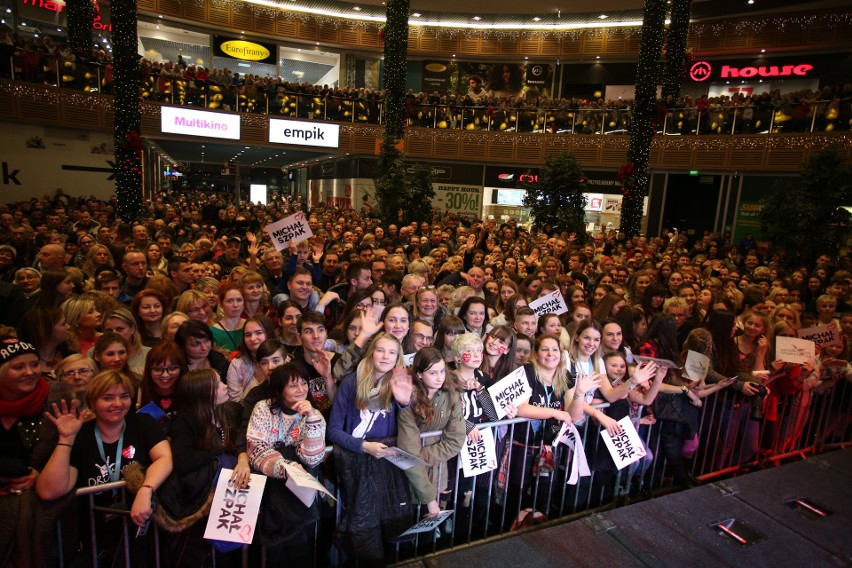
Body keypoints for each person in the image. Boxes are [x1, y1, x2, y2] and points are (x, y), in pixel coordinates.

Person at [36, 370, 173, 560]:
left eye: (124, 396)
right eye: (108, 398)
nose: (118, 404)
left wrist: (145, 489)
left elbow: (164, 458)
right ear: (92, 402)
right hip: (94, 538)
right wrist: (66, 438)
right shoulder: (82, 435)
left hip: (141, 530)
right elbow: (49, 491)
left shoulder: (142, 423)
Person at [327, 332, 413, 564]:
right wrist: (364, 446)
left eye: (392, 352)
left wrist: (405, 404)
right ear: (371, 351)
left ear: (398, 358)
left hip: (386, 470)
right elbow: (333, 431)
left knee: (383, 527)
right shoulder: (351, 382)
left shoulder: (399, 385)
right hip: (353, 467)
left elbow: (408, 430)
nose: (386, 356)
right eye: (381, 350)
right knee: (357, 528)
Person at [154, 368, 248, 566]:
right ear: (204, 391)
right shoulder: (184, 421)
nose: (225, 386)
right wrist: (219, 454)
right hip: (196, 502)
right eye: (219, 383)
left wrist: (239, 458)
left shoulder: (228, 411)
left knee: (226, 556)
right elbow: (183, 460)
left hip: (227, 502)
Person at [0, 336, 73, 567]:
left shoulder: (56, 396)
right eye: (18, 367)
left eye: (34, 364)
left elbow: (72, 450)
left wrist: (42, 476)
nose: (30, 372)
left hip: (43, 501)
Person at [247, 363, 327, 562]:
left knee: (299, 551)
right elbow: (256, 450)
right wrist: (287, 467)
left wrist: (311, 418)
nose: (301, 390)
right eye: (293, 386)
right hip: (270, 488)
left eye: (303, 384)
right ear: (279, 390)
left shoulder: (314, 415)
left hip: (299, 493)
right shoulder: (263, 408)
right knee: (276, 553)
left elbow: (312, 458)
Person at [397, 348, 465, 516]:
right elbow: (408, 448)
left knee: (429, 523)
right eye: (433, 373)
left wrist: (420, 456)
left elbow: (456, 439)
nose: (440, 377)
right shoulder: (407, 397)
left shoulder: (452, 394)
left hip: (435, 468)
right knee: (407, 519)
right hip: (406, 474)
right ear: (419, 374)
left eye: (442, 371)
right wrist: (414, 457)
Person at [226, 314, 277, 402]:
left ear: (268, 334)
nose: (252, 339)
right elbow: (235, 401)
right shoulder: (237, 364)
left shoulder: (282, 360)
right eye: (248, 335)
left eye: (258, 333)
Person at [138, 340, 189, 422]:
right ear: (149, 370)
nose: (165, 375)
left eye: (172, 368)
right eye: (158, 369)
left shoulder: (191, 392)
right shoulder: (138, 393)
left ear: (181, 368)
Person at [101, 306, 151, 377]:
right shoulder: (95, 353)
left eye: (119, 329)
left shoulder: (149, 354)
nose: (114, 333)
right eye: (109, 331)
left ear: (133, 328)